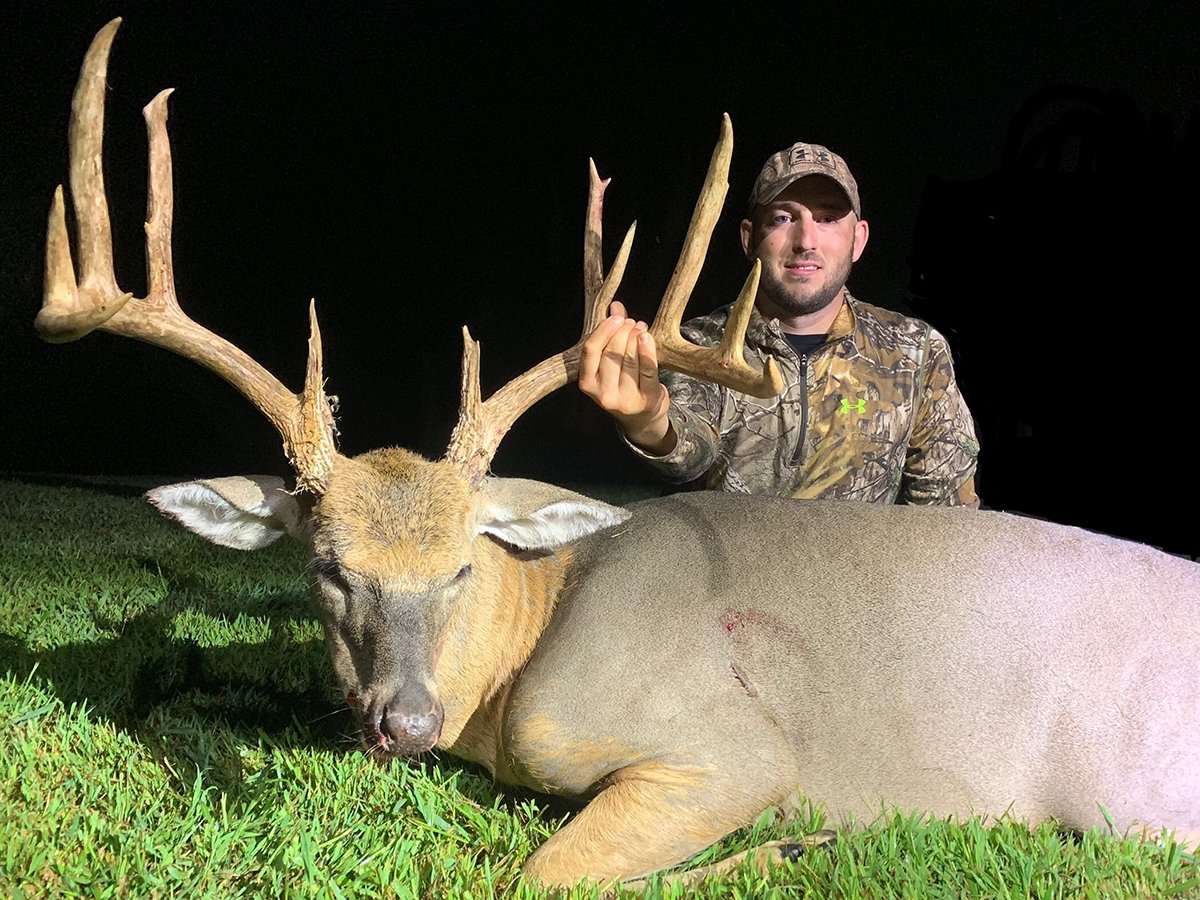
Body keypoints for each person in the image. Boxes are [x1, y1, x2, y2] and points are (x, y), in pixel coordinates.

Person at [578, 140, 980, 506]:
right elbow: (689, 451)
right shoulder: (698, 344)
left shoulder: (915, 351)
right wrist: (649, 420)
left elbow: (945, 509)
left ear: (858, 239)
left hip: (865, 564)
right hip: (728, 563)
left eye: (827, 218)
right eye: (783, 218)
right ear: (748, 237)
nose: (806, 241)